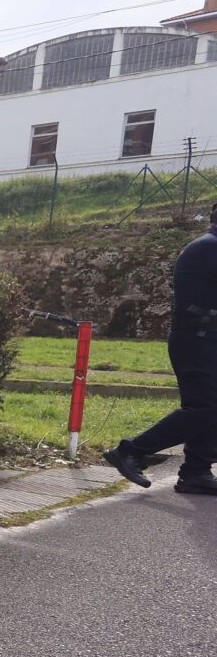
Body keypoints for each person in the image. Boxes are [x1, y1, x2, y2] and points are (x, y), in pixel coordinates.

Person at [102, 204, 217, 496]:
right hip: (196, 340)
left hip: (206, 339)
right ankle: (130, 451)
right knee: (204, 407)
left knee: (210, 407)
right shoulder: (208, 247)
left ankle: (196, 473)